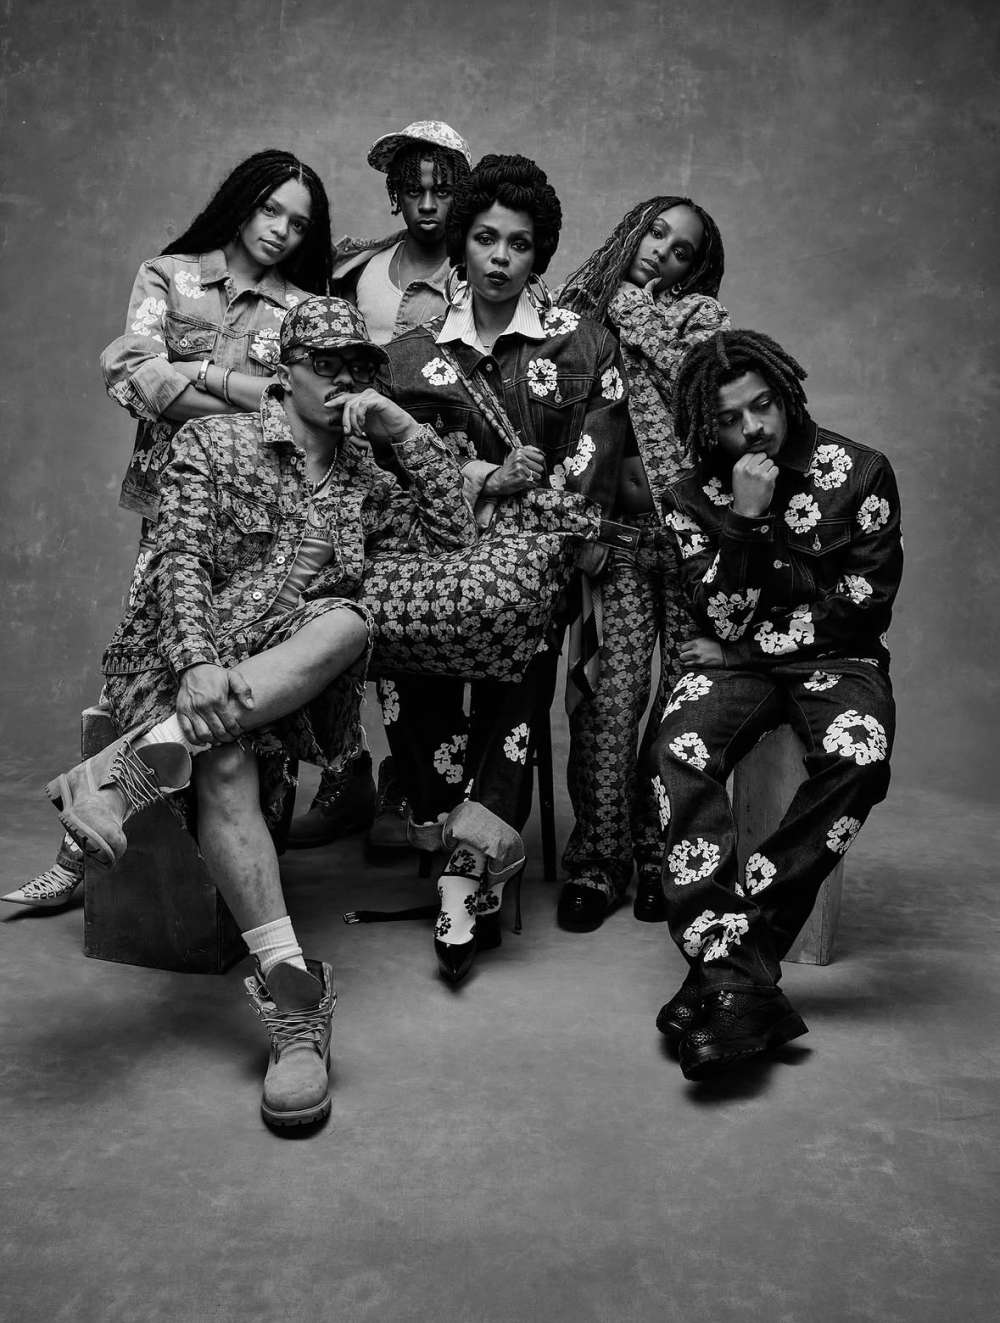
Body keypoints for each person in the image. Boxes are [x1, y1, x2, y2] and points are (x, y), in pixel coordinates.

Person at [43, 297, 478, 1128]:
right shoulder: (215, 441)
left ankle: (118, 781)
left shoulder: (366, 477)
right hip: (174, 663)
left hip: (283, 683)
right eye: (327, 364)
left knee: (350, 621)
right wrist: (198, 663)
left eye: (359, 366)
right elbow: (176, 562)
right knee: (228, 756)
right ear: (286, 368)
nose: (344, 378)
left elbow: (453, 543)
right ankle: (297, 1006)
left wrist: (402, 431)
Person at [6, 149, 333, 910]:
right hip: (171, 512)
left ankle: (234, 880)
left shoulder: (301, 309)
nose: (281, 231)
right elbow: (136, 380)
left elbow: (298, 412)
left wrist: (195, 375)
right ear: (240, 202)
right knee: (144, 669)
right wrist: (256, 391)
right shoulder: (170, 276)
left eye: (298, 223)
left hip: (261, 522)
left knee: (241, 678)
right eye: (270, 210)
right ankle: (80, 856)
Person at [371, 153, 629, 984]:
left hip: (532, 559)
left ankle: (468, 867)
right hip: (434, 555)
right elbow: (388, 474)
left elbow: (590, 467)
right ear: (462, 241)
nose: (500, 257)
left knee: (519, 646)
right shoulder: (408, 356)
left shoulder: (582, 344)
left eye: (519, 243)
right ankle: (442, 820)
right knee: (402, 639)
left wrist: (530, 521)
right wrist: (482, 479)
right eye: (485, 238)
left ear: (539, 252)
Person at [650, 329, 901, 1080]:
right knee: (677, 748)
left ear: (786, 395)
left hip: (837, 660)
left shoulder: (861, 471)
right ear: (708, 425)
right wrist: (747, 519)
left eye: (763, 405)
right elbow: (719, 616)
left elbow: (861, 607)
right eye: (731, 418)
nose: (753, 427)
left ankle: (727, 966)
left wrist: (741, 652)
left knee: (861, 754)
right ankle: (737, 975)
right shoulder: (690, 497)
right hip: (738, 666)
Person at [289, 120, 473, 853]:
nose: (427, 204)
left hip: (435, 459)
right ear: (394, 194)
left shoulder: (477, 268)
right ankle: (349, 775)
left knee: (420, 620)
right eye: (413, 189)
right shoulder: (355, 268)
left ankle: (420, 788)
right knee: (325, 604)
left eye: (442, 189)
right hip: (354, 462)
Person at [554, 195, 729, 932]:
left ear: (695, 270)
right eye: (655, 233)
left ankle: (660, 855)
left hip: (691, 542)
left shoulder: (700, 320)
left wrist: (629, 306)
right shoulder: (576, 320)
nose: (662, 250)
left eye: (682, 249)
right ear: (632, 232)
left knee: (679, 703)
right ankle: (598, 862)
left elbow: (698, 380)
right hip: (617, 539)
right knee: (610, 701)